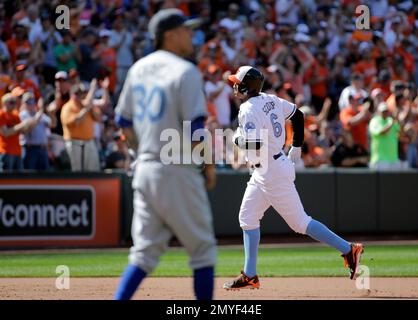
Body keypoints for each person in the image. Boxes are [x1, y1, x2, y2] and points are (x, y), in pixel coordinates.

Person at [223, 66, 364, 290]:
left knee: (300, 223)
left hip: (271, 171)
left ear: (246, 85)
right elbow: (298, 115)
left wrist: (236, 140)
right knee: (247, 217)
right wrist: (296, 146)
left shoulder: (247, 108)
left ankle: (348, 249)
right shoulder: (270, 99)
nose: (234, 85)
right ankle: (250, 274)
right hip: (268, 168)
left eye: (237, 82)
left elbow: (255, 143)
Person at [114, 9, 217, 300]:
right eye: (185, 30)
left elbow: (123, 123)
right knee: (203, 251)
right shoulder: (185, 70)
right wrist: (208, 165)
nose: (191, 35)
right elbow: (196, 127)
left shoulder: (137, 69)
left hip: (145, 170)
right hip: (178, 169)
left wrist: (142, 152)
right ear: (169, 35)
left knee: (143, 254)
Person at [60, 80, 101, 171]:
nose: (83, 95)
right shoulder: (68, 107)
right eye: (80, 93)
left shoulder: (87, 105)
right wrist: (86, 110)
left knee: (93, 171)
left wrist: (89, 108)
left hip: (89, 142)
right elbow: (74, 122)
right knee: (77, 171)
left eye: (84, 93)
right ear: (74, 95)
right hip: (75, 143)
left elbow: (98, 118)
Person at [19, 92, 53, 170]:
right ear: (23, 103)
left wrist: (48, 110)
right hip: (30, 149)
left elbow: (52, 124)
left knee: (44, 176)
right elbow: (26, 129)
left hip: (43, 149)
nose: (31, 103)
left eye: (33, 100)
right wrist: (38, 116)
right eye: (28, 101)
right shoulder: (22, 115)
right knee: (29, 175)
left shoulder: (39, 114)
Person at [0, 93, 30, 171]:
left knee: (20, 179)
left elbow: (23, 130)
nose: (14, 105)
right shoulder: (1, 114)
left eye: (14, 102)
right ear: (4, 103)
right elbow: (5, 133)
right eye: (11, 102)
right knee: (7, 180)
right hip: (6, 151)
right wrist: (22, 125)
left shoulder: (15, 115)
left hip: (17, 151)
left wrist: (30, 122)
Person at [368, 102, 401, 169]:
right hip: (380, 159)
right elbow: (382, 132)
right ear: (378, 111)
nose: (385, 113)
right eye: (383, 111)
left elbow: (401, 133)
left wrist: (398, 120)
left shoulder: (390, 120)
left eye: (386, 111)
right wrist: (391, 122)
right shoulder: (375, 121)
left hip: (393, 159)